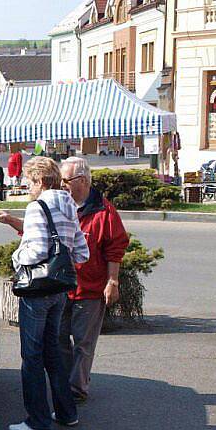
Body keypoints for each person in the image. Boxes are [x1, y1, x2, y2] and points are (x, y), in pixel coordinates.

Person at [0, 157, 89, 430]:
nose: (27, 187)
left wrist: (16, 256)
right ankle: (67, 413)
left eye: (29, 182)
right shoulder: (70, 206)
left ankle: (38, 420)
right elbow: (82, 251)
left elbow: (37, 251)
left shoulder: (36, 206)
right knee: (52, 351)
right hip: (60, 290)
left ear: (41, 181)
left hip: (38, 291)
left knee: (31, 355)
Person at [59, 157, 129, 403]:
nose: (62, 184)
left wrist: (113, 281)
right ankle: (65, 382)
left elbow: (115, 247)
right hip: (61, 287)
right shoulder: (60, 205)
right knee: (58, 339)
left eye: (66, 180)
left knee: (83, 344)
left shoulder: (104, 211)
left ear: (83, 181)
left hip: (89, 290)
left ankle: (76, 389)